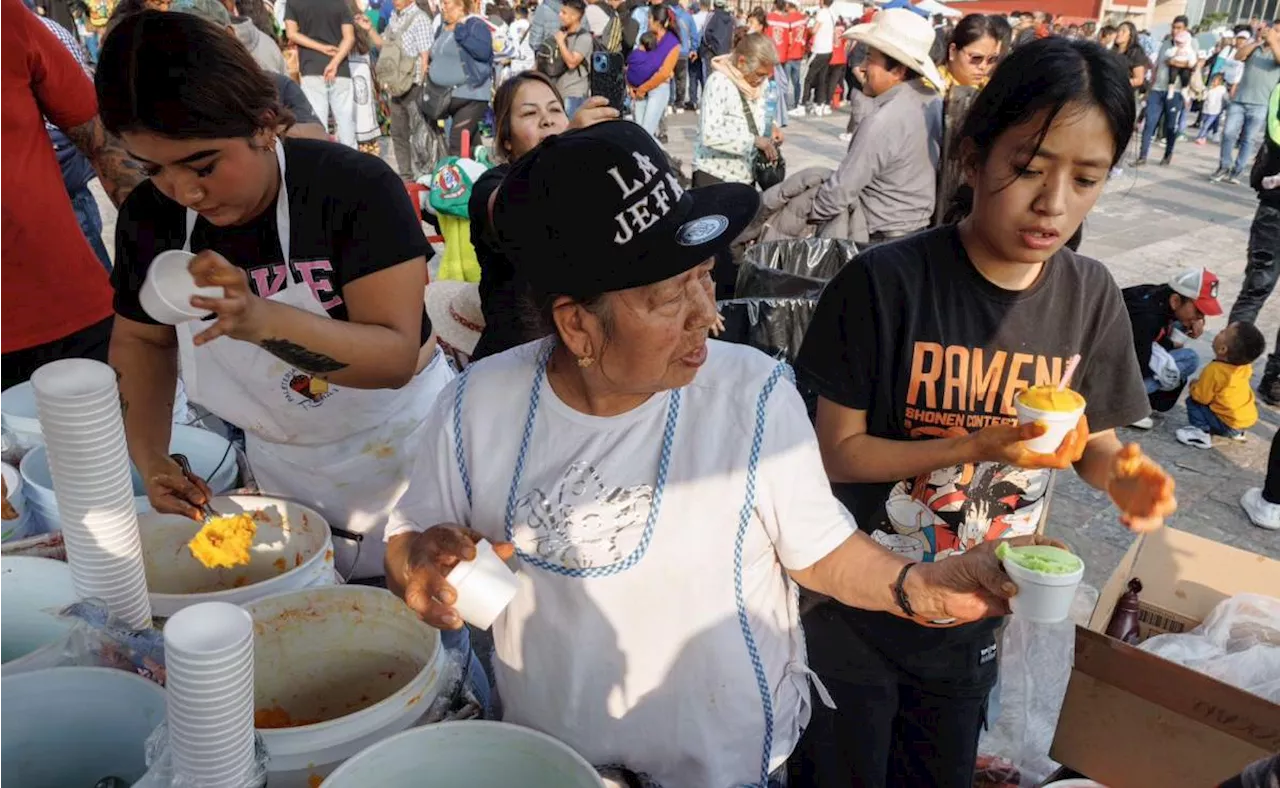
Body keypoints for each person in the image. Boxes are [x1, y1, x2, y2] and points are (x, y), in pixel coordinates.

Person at [385, 119, 1069, 788]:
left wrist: (915, 587)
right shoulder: (477, 405)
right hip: (555, 760)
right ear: (577, 324)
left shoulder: (749, 393)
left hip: (730, 764)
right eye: (666, 296)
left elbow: (820, 550)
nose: (705, 313)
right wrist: (419, 566)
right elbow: (408, 536)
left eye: (704, 276)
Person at [790, 38, 1176, 788]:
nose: (1053, 203)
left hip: (977, 615)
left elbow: (1090, 443)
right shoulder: (885, 284)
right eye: (1029, 168)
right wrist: (974, 442)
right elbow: (839, 452)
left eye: (1086, 178)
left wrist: (1126, 476)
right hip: (855, 610)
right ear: (972, 154)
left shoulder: (1090, 294)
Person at [97, 10, 451, 582]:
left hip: (407, 451)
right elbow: (142, 337)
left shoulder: (353, 189)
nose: (184, 192)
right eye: (153, 169)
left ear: (263, 124)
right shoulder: (151, 218)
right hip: (288, 466)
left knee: (435, 611)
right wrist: (151, 455)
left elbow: (392, 358)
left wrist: (261, 319)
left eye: (203, 164)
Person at [1, 0, 146, 390]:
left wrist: (159, 246)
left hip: (67, 310)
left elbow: (103, 142)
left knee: (118, 446)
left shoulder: (9, 18)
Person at [468, 72, 618, 361]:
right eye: (529, 113)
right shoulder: (490, 186)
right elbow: (511, 211)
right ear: (506, 138)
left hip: (589, 359)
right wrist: (564, 147)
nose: (547, 120)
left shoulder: (591, 181)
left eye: (555, 110)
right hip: (515, 361)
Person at [808, 9, 943, 246]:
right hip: (916, 229)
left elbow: (840, 191)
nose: (861, 67)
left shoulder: (884, 120)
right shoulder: (930, 100)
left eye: (870, 59)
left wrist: (809, 217)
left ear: (898, 71)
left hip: (880, 236)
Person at [169, 0, 329, 138]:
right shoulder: (164, 99)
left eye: (200, 37)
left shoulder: (274, 84)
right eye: (174, 41)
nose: (188, 50)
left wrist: (257, 130)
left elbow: (316, 134)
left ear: (229, 34)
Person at [1229, 80, 1280, 405]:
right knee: (1256, 287)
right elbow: (1276, 131)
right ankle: (1227, 368)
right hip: (1276, 210)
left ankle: (1275, 378)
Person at [1122, 267, 1222, 427]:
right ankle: (1128, 407)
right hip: (1113, 373)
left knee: (1180, 345)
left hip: (1125, 352)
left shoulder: (1157, 294)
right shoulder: (1146, 317)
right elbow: (1138, 366)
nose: (1200, 318)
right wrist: (1170, 345)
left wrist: (1190, 322)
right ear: (1175, 300)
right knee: (1190, 360)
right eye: (1199, 311)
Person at [356, 0, 433, 179]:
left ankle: (426, 175)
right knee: (398, 134)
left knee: (421, 134)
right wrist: (369, 29)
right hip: (396, 87)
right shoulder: (394, 18)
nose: (395, 1)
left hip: (413, 86)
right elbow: (383, 46)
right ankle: (406, 177)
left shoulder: (419, 19)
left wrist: (422, 85)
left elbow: (425, 58)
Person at [692, 32, 782, 187]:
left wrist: (772, 127)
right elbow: (709, 134)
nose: (761, 80)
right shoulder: (719, 82)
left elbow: (761, 112)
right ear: (741, 62)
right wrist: (753, 141)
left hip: (746, 175)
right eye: (759, 75)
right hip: (715, 175)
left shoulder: (763, 84)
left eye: (766, 76)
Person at [1176, 322, 1265, 447]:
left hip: (1226, 424)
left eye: (1223, 331)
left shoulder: (1214, 370)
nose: (1220, 331)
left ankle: (1201, 433)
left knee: (1192, 402)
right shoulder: (1245, 366)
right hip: (1245, 421)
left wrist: (1194, 386)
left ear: (1222, 349)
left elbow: (1201, 398)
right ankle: (1236, 434)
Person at [1213, 23, 1280, 184]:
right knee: (1228, 133)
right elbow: (1238, 56)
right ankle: (1224, 165)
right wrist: (1258, 41)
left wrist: (1273, 43)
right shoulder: (1255, 48)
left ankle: (1238, 170)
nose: (1272, 33)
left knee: (1248, 138)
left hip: (1262, 103)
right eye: (1272, 29)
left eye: (1277, 31)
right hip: (1240, 99)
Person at [286, 0, 357, 147]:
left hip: (311, 67)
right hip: (341, 69)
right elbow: (349, 38)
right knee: (345, 121)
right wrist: (334, 62)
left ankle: (322, 163)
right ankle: (352, 163)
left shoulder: (294, 3)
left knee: (317, 122)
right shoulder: (340, 3)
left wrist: (321, 48)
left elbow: (291, 34)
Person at [429, 0, 493, 155]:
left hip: (471, 95)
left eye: (446, 2)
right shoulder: (442, 27)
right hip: (450, 97)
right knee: (471, 147)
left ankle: (457, 179)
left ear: (460, 5)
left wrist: (460, 31)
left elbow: (484, 52)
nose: (443, 6)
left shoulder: (475, 25)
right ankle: (482, 174)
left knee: (457, 145)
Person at [1132, 14, 1188, 167]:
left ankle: (1168, 154)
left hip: (1175, 90)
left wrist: (1174, 61)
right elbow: (1156, 66)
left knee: (1170, 125)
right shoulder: (1165, 43)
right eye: (1174, 27)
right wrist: (1150, 87)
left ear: (1185, 29)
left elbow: (1193, 64)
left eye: (1179, 28)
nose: (1175, 31)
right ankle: (1142, 156)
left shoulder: (1190, 44)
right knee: (1149, 122)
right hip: (1157, 88)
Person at [629, 4, 679, 138]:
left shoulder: (672, 44)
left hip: (658, 88)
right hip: (640, 89)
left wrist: (643, 88)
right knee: (640, 130)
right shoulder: (648, 38)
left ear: (658, 21)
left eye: (650, 18)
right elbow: (637, 62)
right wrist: (632, 86)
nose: (648, 21)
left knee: (647, 132)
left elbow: (663, 73)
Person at [935, 13, 1000, 95]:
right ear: (953, 51)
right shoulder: (929, 89)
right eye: (976, 58)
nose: (983, 66)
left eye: (992, 59)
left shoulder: (992, 91)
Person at [553, 0, 593, 116]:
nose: (560, 15)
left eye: (564, 13)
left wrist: (560, 42)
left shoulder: (584, 37)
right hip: (558, 92)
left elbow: (572, 63)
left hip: (574, 94)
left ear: (575, 16)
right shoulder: (561, 33)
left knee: (571, 132)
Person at [798, 0, 835, 115]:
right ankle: (819, 104)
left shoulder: (822, 13)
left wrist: (809, 28)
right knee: (822, 79)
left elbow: (814, 30)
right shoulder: (832, 13)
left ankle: (803, 104)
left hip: (818, 50)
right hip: (828, 50)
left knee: (808, 78)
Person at [1112, 20, 1149, 94]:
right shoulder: (1112, 52)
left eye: (1123, 31)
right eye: (1118, 30)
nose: (1119, 33)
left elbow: (1138, 79)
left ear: (1130, 35)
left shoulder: (1136, 52)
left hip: (1127, 93)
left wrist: (1119, 84)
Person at [1197, 72, 1229, 144]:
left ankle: (1200, 136)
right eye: (1212, 81)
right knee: (1204, 124)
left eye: (1215, 81)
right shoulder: (1209, 89)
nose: (1213, 82)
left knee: (1206, 125)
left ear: (1220, 82)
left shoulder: (1222, 89)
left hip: (1215, 111)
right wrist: (1204, 92)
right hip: (1206, 110)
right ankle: (1204, 136)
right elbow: (1204, 98)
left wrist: (1226, 105)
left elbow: (1226, 98)